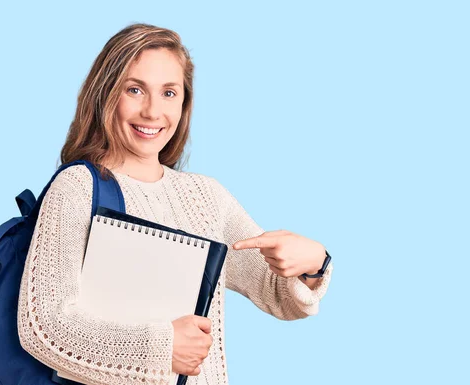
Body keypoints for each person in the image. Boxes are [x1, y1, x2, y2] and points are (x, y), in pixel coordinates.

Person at [17, 23, 333, 385]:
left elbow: (279, 295)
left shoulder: (206, 198)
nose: (153, 112)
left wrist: (313, 264)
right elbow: (43, 327)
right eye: (134, 90)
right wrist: (162, 347)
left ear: (184, 102)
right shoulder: (77, 188)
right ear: (105, 95)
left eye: (169, 92)